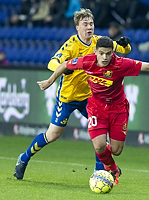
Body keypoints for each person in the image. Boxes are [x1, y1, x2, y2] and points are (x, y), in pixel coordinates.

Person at [37, 36, 149, 185]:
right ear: (95, 52)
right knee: (99, 146)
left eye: (108, 53)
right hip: (96, 108)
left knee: (116, 150)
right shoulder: (87, 61)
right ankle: (112, 169)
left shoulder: (122, 64)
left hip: (118, 109)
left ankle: (111, 164)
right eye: (101, 53)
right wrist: (50, 81)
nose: (104, 57)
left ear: (113, 52)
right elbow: (65, 65)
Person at [14, 9, 131, 180]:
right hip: (67, 97)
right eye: (85, 24)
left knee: (100, 136)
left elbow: (123, 49)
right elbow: (52, 62)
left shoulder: (99, 42)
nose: (89, 27)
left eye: (91, 24)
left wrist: (125, 44)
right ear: (77, 27)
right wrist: (62, 70)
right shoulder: (71, 45)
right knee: (52, 135)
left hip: (90, 98)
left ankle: (99, 173)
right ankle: (23, 158)